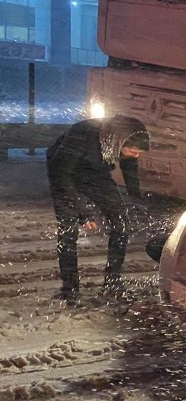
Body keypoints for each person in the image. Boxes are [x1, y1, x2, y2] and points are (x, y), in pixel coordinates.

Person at [46, 115, 151, 305]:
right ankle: (70, 290)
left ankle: (113, 284)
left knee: (121, 223)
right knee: (68, 233)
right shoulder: (82, 135)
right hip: (64, 174)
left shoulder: (122, 138)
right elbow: (61, 175)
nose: (135, 156)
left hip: (96, 173)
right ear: (119, 143)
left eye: (138, 154)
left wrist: (137, 201)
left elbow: (130, 169)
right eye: (133, 152)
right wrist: (83, 213)